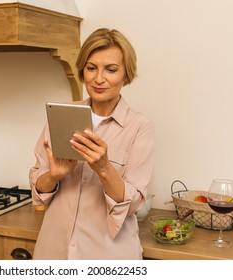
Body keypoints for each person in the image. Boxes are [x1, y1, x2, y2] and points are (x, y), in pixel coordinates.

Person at [29, 28, 155, 259]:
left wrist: (104, 168)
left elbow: (135, 203)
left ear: (126, 75)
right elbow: (38, 188)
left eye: (111, 69)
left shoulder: (139, 127)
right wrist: (54, 176)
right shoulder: (59, 115)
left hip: (107, 255)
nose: (98, 79)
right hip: (52, 251)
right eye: (91, 68)